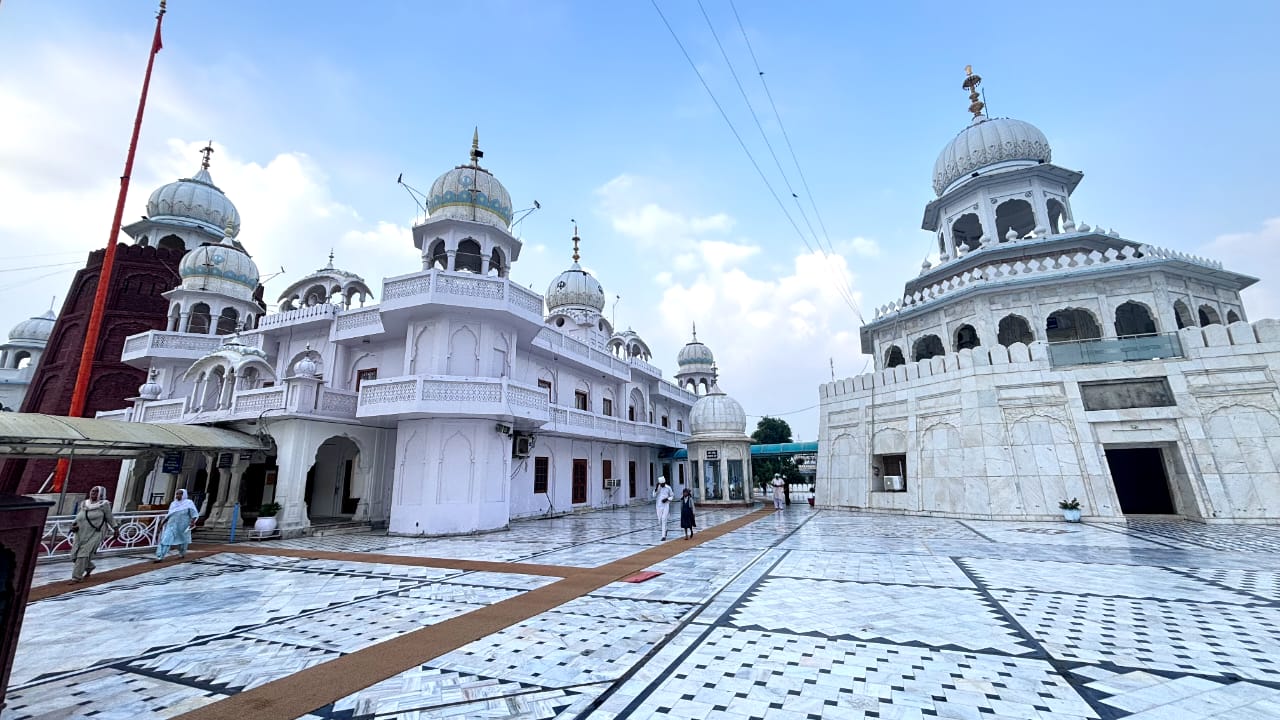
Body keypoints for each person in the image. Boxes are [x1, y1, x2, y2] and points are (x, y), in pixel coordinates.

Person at [69, 486, 119, 583]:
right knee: (74, 555)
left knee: (82, 554)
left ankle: (76, 577)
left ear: (101, 493)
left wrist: (116, 529)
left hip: (95, 532)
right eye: (92, 491)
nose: (93, 493)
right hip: (80, 532)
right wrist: (72, 526)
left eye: (96, 492)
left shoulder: (104, 504)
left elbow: (110, 517)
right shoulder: (84, 503)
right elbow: (80, 515)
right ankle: (89, 566)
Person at [154, 489, 199, 562]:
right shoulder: (173, 504)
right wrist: (162, 524)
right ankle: (160, 556)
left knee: (183, 540)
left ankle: (182, 553)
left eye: (180, 494)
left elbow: (194, 514)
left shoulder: (188, 503)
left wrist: (192, 522)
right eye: (177, 494)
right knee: (166, 539)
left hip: (183, 525)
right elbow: (169, 515)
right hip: (171, 525)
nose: (177, 495)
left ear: (183, 495)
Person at [654, 476, 674, 540]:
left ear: (664, 482)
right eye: (661, 484)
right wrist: (656, 489)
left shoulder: (668, 488)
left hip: (666, 505)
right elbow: (654, 495)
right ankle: (665, 529)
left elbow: (672, 496)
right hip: (658, 506)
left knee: (663, 519)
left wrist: (667, 499)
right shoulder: (658, 488)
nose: (662, 485)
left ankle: (663, 536)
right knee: (659, 520)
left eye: (663, 484)